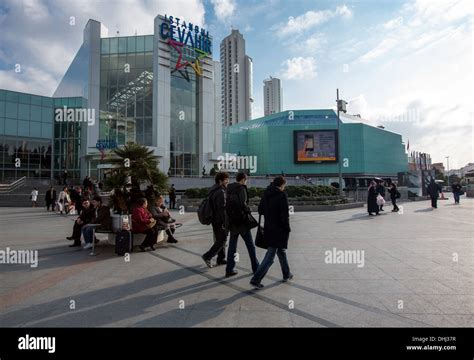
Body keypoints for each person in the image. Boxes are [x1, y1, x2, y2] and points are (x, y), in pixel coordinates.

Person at [250, 176, 292, 289]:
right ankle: (256, 279)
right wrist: (287, 228)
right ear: (282, 184)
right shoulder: (282, 195)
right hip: (278, 230)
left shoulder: (267, 193)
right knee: (270, 256)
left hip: (269, 227)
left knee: (281, 251)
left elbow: (260, 210)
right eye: (284, 185)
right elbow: (285, 215)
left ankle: (287, 273)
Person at [225, 172, 260, 277]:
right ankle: (256, 267)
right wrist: (249, 210)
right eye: (246, 179)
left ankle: (229, 269)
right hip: (242, 222)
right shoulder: (242, 188)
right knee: (250, 245)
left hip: (232, 221)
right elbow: (243, 204)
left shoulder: (229, 188)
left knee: (232, 246)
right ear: (244, 179)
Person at [202, 172, 229, 268]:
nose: (227, 181)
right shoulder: (220, 192)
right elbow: (222, 209)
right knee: (222, 239)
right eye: (226, 179)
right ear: (220, 181)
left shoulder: (213, 190)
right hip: (219, 220)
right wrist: (225, 222)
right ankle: (207, 256)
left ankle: (221, 258)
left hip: (214, 219)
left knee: (219, 239)